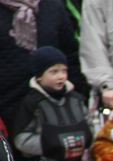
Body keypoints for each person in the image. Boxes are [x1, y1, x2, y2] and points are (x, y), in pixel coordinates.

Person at [0, 0, 86, 141]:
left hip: (53, 103)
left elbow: (70, 54)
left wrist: (77, 95)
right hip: (8, 105)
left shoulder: (52, 6)